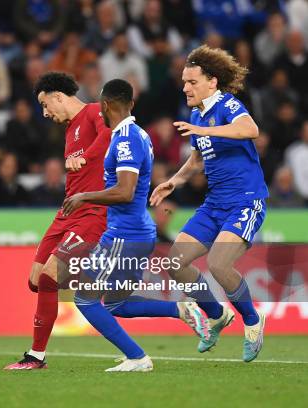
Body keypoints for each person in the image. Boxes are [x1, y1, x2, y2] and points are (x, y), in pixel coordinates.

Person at [62, 79, 208, 372]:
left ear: (105, 106)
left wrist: (84, 196)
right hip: (137, 231)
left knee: (85, 299)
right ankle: (181, 309)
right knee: (117, 304)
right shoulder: (137, 133)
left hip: (124, 234)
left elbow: (126, 191)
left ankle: (138, 357)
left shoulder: (126, 138)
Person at [150, 45, 267, 362]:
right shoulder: (196, 114)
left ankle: (253, 322)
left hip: (245, 200)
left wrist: (204, 129)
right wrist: (173, 180)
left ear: (212, 82)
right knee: (175, 262)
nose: (185, 87)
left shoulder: (228, 104)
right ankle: (217, 315)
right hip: (214, 204)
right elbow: (198, 159)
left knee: (218, 264)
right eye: (184, 82)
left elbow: (250, 129)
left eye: (192, 82)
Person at [4, 72, 110, 370]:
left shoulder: (93, 112)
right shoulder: (69, 129)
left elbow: (110, 135)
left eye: (44, 104)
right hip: (66, 212)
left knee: (50, 276)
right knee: (36, 280)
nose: (45, 112)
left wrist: (86, 158)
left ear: (58, 96)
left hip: (92, 212)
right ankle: (91, 277)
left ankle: (36, 356)